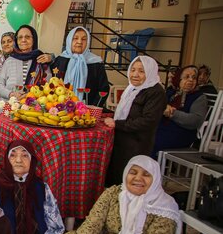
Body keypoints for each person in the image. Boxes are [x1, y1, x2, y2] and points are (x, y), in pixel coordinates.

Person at [104, 56, 166, 185]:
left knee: (127, 178)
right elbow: (124, 114)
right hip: (122, 139)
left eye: (141, 71)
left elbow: (148, 121)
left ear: (150, 72)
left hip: (137, 142)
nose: (135, 74)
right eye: (132, 70)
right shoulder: (131, 89)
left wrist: (117, 124)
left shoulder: (156, 92)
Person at [152, 65, 208, 156]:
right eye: (187, 77)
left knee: (150, 141)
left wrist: (172, 113)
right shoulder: (171, 92)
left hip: (181, 133)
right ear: (179, 79)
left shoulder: (199, 97)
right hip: (162, 128)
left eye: (194, 78)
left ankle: (151, 169)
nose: (190, 80)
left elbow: (196, 120)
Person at [52, 26, 109, 106]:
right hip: (60, 109)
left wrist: (93, 107)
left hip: (88, 111)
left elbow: (103, 88)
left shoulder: (96, 63)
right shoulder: (60, 60)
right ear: (69, 41)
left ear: (88, 42)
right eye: (75, 38)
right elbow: (52, 83)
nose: (79, 42)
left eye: (84, 39)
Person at [0, 25, 52, 102]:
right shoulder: (10, 60)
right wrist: (10, 94)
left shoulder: (41, 59)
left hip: (32, 108)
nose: (23, 40)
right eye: (20, 37)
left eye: (27, 37)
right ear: (16, 41)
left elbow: (48, 85)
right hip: (9, 106)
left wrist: (30, 95)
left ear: (34, 39)